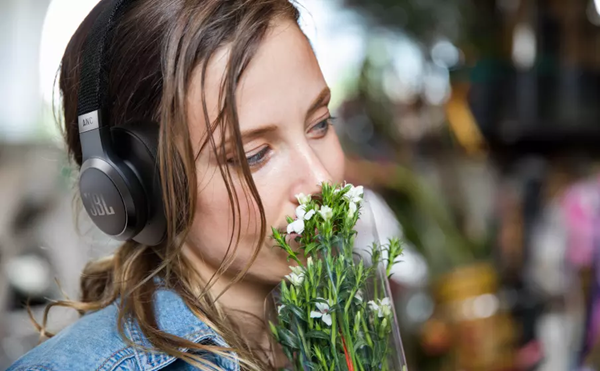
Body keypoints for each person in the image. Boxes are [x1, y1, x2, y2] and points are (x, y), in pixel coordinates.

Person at [8, 0, 346, 370]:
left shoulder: (344, 334)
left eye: (320, 123)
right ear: (137, 185)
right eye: (255, 155)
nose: (322, 180)